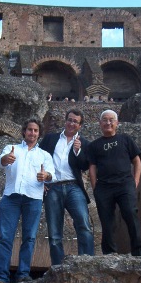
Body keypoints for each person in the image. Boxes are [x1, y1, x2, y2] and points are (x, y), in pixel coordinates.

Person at [0, 118, 56, 283]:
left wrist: (45, 176)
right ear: (24, 132)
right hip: (11, 197)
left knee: (30, 237)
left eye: (35, 131)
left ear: (39, 134)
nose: (32, 133)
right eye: (29, 130)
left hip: (33, 198)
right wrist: (6, 158)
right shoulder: (12, 149)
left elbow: (52, 175)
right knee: (5, 238)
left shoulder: (44, 155)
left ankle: (22, 275)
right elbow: (0, 162)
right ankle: (1, 278)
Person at [39, 109, 95, 265]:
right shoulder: (50, 138)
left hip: (73, 187)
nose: (71, 123)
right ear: (65, 121)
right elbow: (38, 158)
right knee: (54, 232)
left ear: (80, 125)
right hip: (52, 187)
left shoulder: (84, 143)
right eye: (69, 120)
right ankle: (58, 266)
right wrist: (41, 182)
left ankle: (87, 262)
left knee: (83, 224)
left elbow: (84, 165)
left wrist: (77, 151)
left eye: (75, 121)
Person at [88, 109, 141, 257]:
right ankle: (109, 253)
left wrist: (136, 180)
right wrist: (95, 188)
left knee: (130, 213)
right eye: (105, 120)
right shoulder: (95, 145)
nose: (108, 122)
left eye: (111, 120)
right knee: (106, 221)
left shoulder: (125, 139)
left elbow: (137, 161)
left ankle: (138, 250)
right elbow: (92, 167)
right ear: (100, 123)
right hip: (104, 186)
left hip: (125, 184)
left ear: (117, 123)